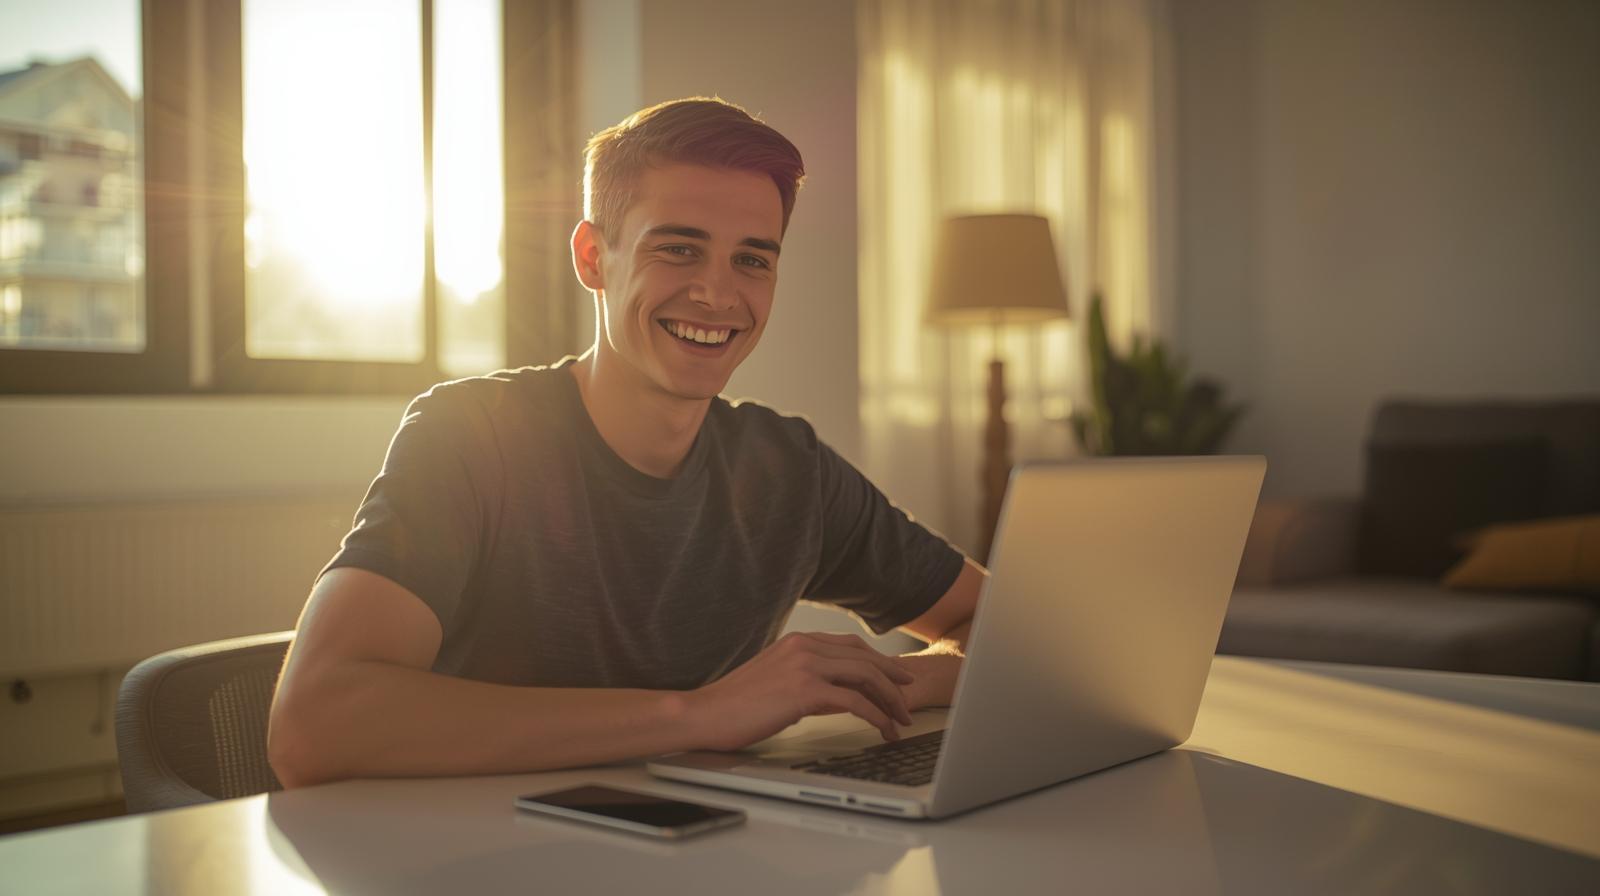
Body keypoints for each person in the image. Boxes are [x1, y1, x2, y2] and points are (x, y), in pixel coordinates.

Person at [267, 97, 985, 788]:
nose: (717, 294)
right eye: (679, 249)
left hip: (707, 849)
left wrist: (896, 680)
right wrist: (703, 714)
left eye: (752, 260)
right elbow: (313, 725)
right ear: (592, 258)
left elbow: (1008, 631)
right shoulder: (474, 436)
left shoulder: (787, 470)